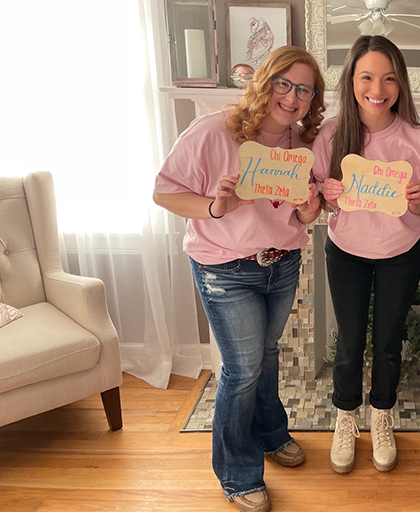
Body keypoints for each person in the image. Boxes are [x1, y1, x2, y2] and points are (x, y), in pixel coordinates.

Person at [153, 46, 326, 512]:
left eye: (303, 90)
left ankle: (271, 433)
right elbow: (164, 192)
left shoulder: (301, 146)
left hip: (281, 262)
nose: (291, 98)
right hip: (224, 268)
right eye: (282, 84)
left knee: (265, 355)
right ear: (263, 82)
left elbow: (300, 213)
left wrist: (310, 210)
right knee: (243, 367)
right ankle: (237, 473)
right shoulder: (213, 130)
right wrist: (215, 206)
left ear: (313, 99)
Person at [312, 35, 420, 474]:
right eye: (367, 77)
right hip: (346, 251)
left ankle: (381, 414)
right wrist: (326, 193)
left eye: (388, 78)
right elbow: (313, 202)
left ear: (400, 83)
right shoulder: (330, 134)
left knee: (387, 343)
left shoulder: (419, 139)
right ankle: (346, 417)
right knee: (348, 343)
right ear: (351, 80)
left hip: (399, 252)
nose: (377, 88)